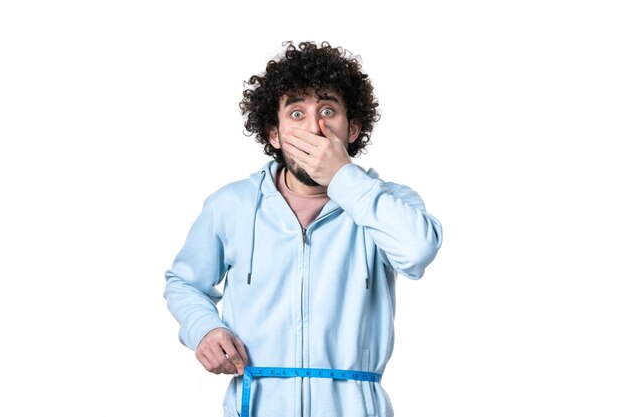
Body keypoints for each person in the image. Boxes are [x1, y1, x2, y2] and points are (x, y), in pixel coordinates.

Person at [164, 41, 443, 417]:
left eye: (328, 110)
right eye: (296, 113)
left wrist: (344, 178)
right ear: (275, 135)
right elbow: (184, 282)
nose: (315, 127)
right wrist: (204, 329)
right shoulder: (230, 206)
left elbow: (417, 251)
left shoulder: (387, 203)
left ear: (354, 128)